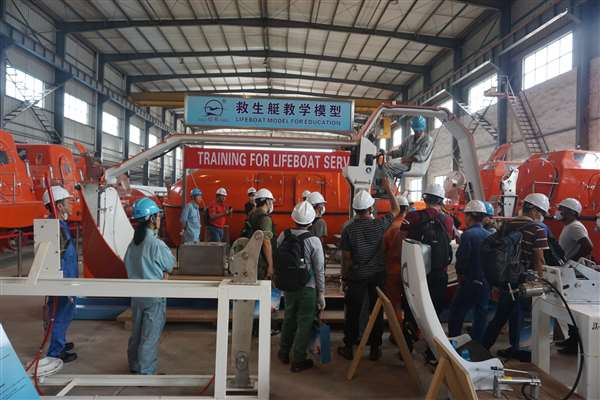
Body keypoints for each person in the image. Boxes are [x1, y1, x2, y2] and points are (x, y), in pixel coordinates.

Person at [337, 178, 400, 361]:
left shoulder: (348, 229)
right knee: (376, 312)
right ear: (371, 208)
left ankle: (349, 347)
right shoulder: (379, 225)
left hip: (356, 276)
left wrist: (344, 278)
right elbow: (396, 210)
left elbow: (346, 258)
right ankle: (374, 348)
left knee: (353, 313)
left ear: (355, 209)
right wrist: (389, 189)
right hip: (376, 276)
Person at [482, 193, 550, 360]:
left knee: (511, 313)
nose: (541, 216)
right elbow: (539, 259)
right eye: (541, 212)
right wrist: (542, 281)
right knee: (507, 314)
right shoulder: (538, 229)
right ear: (534, 210)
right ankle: (484, 348)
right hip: (523, 279)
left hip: (505, 278)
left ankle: (511, 347)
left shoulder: (507, 224)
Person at [124, 197, 176, 375]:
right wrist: (163, 272)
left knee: (137, 333)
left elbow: (127, 264)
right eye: (158, 216)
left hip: (137, 296)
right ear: (152, 219)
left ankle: (134, 365)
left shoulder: (133, 243)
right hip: (154, 298)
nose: (160, 219)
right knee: (150, 336)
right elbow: (170, 264)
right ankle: (146, 372)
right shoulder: (156, 244)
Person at [277, 201, 326, 372]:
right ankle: (298, 360)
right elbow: (319, 269)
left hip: (288, 286)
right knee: (305, 322)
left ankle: (283, 352)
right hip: (308, 288)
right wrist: (321, 293)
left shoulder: (283, 235)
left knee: (289, 317)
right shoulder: (314, 241)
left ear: (294, 219)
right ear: (311, 221)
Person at [401, 183, 454, 314]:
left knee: (413, 308)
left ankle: (410, 326)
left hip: (415, 270)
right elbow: (449, 240)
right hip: (439, 271)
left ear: (425, 199)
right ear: (441, 201)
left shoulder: (412, 216)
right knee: (434, 309)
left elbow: (401, 240)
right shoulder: (448, 220)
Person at [448, 200, 492, 343]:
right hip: (485, 281)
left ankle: (454, 340)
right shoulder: (489, 235)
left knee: (457, 311)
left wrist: (460, 275)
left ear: (469, 216)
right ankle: (477, 344)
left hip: (469, 281)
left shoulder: (468, 235)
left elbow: (462, 259)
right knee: (481, 314)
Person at [43, 186, 78, 363]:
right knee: (60, 316)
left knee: (60, 314)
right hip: (63, 281)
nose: (71, 205)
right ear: (59, 206)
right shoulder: (56, 228)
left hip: (65, 279)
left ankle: (60, 342)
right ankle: (56, 352)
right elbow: (61, 260)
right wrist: (67, 285)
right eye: (68, 202)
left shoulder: (59, 225)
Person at [554, 197, 593, 354]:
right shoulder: (569, 226)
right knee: (568, 308)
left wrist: (571, 262)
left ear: (571, 212)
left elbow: (587, 246)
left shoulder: (575, 227)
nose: (559, 211)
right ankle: (572, 339)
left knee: (572, 308)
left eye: (562, 209)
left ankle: (575, 344)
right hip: (567, 271)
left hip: (572, 273)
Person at [383, 195, 410, 321]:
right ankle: (412, 330)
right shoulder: (412, 226)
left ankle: (397, 331)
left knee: (394, 304)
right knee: (412, 304)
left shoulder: (389, 228)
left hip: (393, 271)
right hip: (410, 271)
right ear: (407, 209)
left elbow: (383, 250)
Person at [382, 115, 434, 180]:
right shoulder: (409, 139)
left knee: (387, 168)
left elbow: (420, 157)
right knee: (385, 165)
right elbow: (400, 151)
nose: (417, 132)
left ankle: (388, 186)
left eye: (418, 130)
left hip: (413, 165)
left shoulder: (427, 140)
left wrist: (406, 160)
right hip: (404, 163)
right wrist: (387, 153)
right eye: (415, 130)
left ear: (422, 129)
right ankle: (386, 184)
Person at [247, 188, 276, 279]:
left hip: (251, 255)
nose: (272, 204)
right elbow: (266, 243)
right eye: (271, 201)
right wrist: (270, 265)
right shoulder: (265, 219)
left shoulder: (252, 214)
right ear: (267, 201)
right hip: (261, 260)